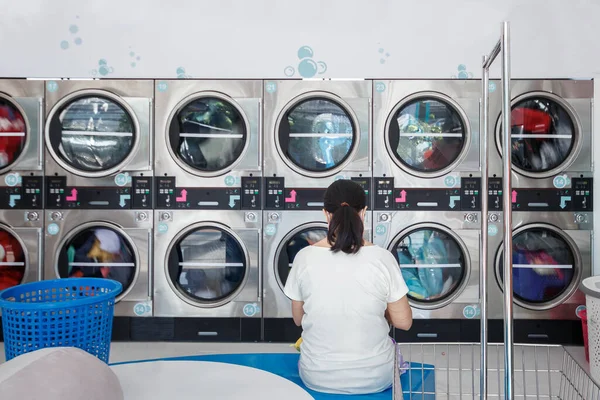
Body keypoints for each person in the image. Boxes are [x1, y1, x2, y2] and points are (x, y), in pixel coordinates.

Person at [283, 179, 413, 395]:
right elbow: (404, 322)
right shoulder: (383, 258)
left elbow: (298, 319)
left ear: (326, 214)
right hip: (377, 376)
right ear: (363, 212)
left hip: (316, 375)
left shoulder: (304, 258)